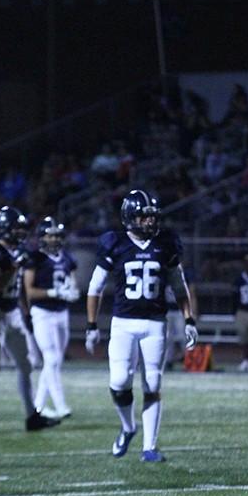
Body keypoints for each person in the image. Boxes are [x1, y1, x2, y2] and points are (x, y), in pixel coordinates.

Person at [85, 189, 198, 462]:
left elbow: (178, 286)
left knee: (153, 383)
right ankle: (128, 427)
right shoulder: (115, 243)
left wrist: (189, 319)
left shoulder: (165, 243)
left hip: (155, 323)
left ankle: (150, 446)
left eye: (151, 217)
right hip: (123, 322)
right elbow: (95, 288)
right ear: (129, 217)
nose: (150, 222)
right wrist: (91, 324)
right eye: (143, 217)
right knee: (120, 381)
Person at [0, 206, 60, 433]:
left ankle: (32, 416)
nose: (21, 233)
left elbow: (18, 287)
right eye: (16, 228)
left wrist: (26, 311)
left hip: (13, 313)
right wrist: (14, 266)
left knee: (26, 365)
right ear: (4, 229)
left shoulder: (18, 251)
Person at [23, 217, 80, 419]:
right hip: (42, 313)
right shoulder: (34, 258)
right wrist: (54, 293)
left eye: (56, 235)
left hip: (61, 313)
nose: (54, 238)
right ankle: (60, 405)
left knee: (54, 361)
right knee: (51, 358)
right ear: (42, 237)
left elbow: (72, 284)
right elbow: (29, 292)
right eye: (50, 234)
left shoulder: (67, 258)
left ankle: (38, 406)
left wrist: (72, 292)